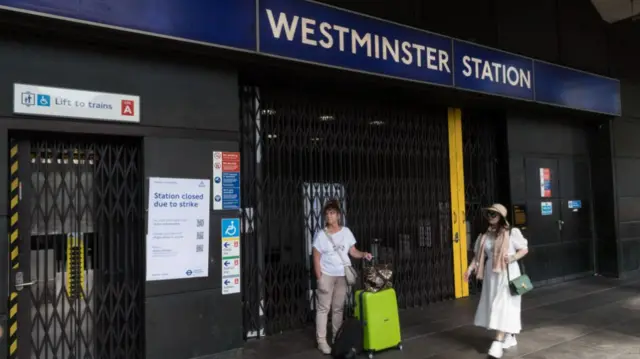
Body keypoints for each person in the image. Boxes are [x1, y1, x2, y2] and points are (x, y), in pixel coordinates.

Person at [463, 203, 529, 359]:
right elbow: (479, 257)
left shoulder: (512, 233)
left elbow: (524, 249)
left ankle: (497, 343)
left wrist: (512, 257)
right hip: (491, 274)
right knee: (495, 305)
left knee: (503, 305)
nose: (491, 217)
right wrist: (469, 270)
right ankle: (510, 335)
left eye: (494, 214)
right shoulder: (484, 236)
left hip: (508, 273)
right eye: (489, 214)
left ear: (502, 217)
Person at [312, 199, 373, 354]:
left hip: (341, 276)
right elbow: (316, 257)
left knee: (338, 308)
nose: (329, 217)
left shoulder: (346, 232)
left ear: (338, 215)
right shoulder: (321, 235)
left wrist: (363, 254)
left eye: (332, 213)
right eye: (327, 214)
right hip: (326, 275)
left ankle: (336, 338)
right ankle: (321, 341)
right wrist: (319, 277)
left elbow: (352, 251)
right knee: (323, 308)